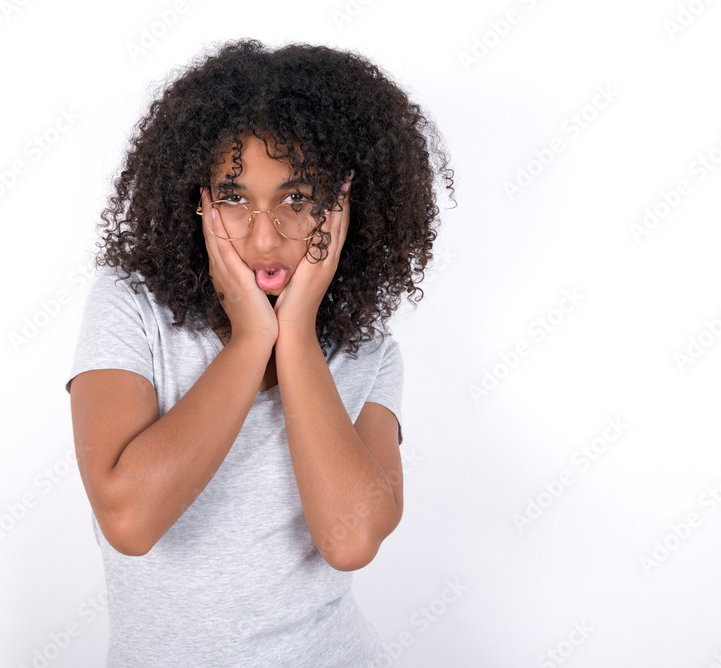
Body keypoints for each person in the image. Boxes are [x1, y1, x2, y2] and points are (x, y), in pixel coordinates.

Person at [66, 38, 455, 667]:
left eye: (297, 199)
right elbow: (130, 520)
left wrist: (295, 333)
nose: (264, 235)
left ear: (344, 204)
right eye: (235, 197)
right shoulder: (131, 309)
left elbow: (351, 538)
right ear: (197, 197)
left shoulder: (369, 353)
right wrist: (252, 339)